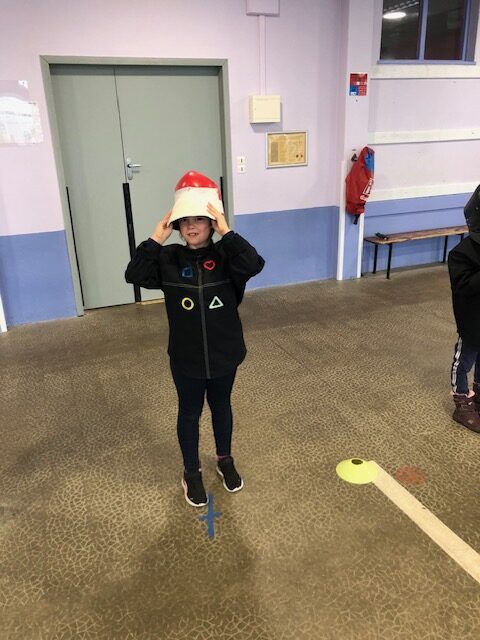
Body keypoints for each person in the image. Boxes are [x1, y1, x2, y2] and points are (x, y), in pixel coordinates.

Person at [125, 171, 265, 506]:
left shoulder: (229, 258)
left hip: (224, 352)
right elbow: (134, 274)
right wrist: (155, 239)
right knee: (189, 412)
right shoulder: (169, 259)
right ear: (176, 225)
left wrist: (227, 232)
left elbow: (254, 264)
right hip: (186, 356)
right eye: (184, 220)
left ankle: (224, 459)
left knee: (221, 406)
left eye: (199, 219)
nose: (191, 226)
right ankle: (191, 471)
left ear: (211, 222)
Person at [448, 183, 480, 433]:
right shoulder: (461, 254)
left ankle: (478, 392)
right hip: (472, 322)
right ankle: (461, 400)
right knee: (464, 360)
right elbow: (464, 286)